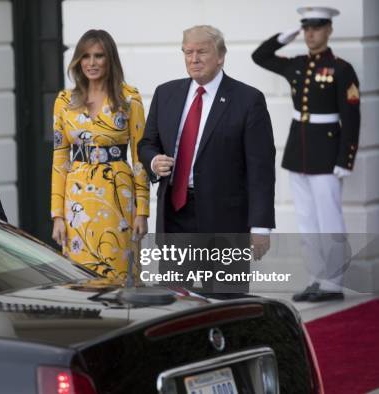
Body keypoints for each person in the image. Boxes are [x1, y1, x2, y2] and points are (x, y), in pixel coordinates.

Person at [137, 25, 276, 291]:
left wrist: (261, 225)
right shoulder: (165, 93)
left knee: (227, 302)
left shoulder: (248, 100)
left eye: (202, 51)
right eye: (187, 52)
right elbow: (147, 143)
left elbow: (261, 168)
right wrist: (154, 161)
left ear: (221, 56)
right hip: (176, 217)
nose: (194, 58)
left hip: (225, 222)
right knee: (174, 302)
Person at [252, 7, 360, 302]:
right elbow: (260, 56)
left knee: (329, 220)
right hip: (298, 152)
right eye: (307, 28)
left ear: (329, 30)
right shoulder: (297, 65)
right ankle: (316, 278)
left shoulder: (341, 68)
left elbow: (351, 117)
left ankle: (333, 283)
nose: (311, 33)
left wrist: (344, 159)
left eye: (317, 27)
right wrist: (283, 38)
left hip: (327, 155)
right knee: (306, 220)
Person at [51, 29, 150, 278]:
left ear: (110, 60)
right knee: (79, 277)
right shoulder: (64, 101)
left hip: (117, 194)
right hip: (77, 200)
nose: (91, 63)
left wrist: (142, 211)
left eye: (99, 56)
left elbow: (140, 157)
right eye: (86, 56)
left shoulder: (130, 98)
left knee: (119, 273)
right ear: (78, 61)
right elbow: (60, 159)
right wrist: (58, 216)